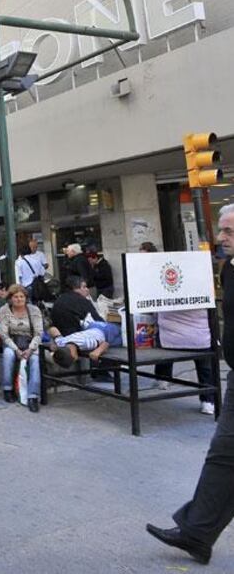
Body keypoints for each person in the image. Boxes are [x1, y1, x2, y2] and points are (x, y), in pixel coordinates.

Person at [148, 204, 234, 565]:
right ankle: (197, 533)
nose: (221, 237)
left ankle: (197, 531)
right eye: (222, 230)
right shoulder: (228, 268)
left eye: (229, 231)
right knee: (224, 454)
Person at [0, 284, 44, 412]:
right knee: (8, 355)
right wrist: (16, 349)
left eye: (21, 296)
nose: (19, 299)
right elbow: (3, 334)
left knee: (34, 360)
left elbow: (39, 333)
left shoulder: (34, 310)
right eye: (16, 297)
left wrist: (30, 349)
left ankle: (32, 396)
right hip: (12, 342)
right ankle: (7, 389)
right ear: (11, 298)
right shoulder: (4, 310)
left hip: (30, 342)